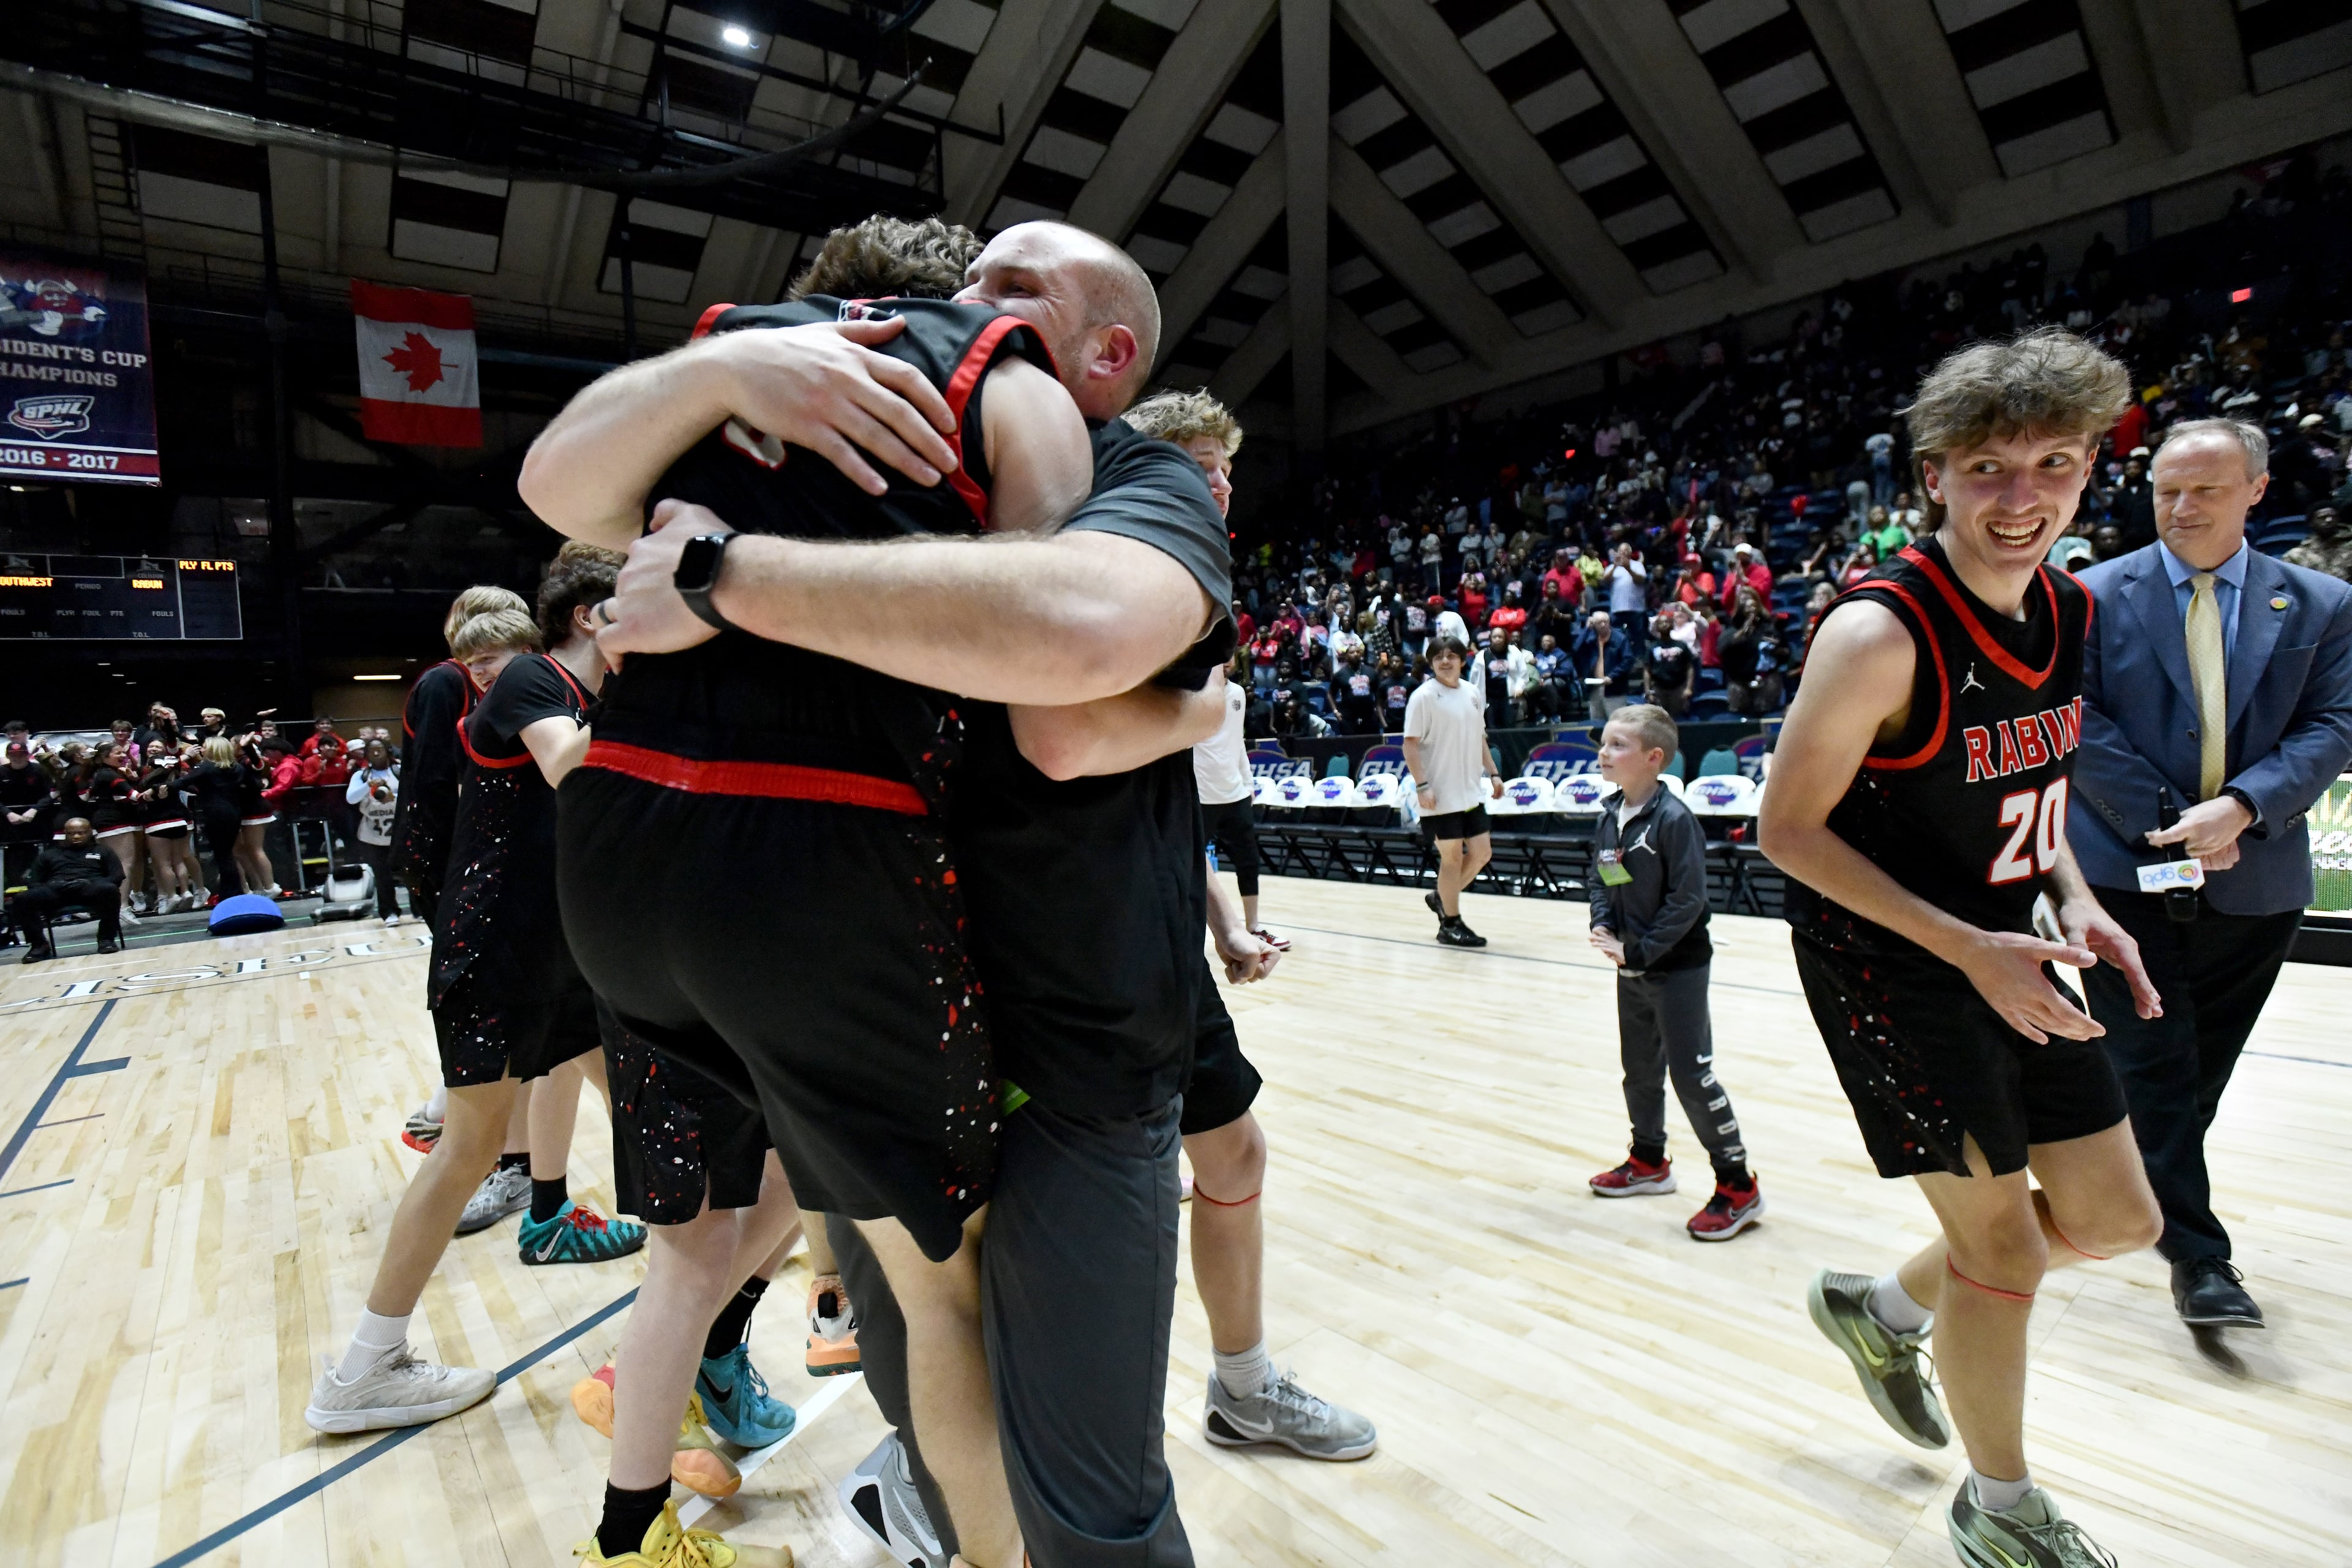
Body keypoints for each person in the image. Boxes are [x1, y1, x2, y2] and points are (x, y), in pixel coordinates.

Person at [534, 217, 1227, 1567]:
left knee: (1089, 1485)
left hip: (1064, 1042)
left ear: (1108, 353)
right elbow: (564, 481)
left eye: (1009, 292)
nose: (962, 310)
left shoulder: (1145, 479)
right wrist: (721, 381)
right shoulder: (837, 409)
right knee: (915, 1353)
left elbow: (1064, 702)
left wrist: (725, 577)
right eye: (958, 285)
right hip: (866, 953)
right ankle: (920, 1511)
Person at [1760, 328, 2165, 1568]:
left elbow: (2026, 790)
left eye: (2053, 462)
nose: (2022, 495)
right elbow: (1785, 830)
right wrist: (1964, 944)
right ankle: (1998, 1506)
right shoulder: (1879, 633)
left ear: (2091, 468)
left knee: (2114, 1218)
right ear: (1933, 474)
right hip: (1892, 959)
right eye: (1989, 467)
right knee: (1998, 1248)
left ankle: (1879, 1308)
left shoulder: (2069, 602)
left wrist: (2075, 893)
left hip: (2019, 943)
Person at [306, 549, 647, 1439]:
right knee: (466, 1151)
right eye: (634, 604)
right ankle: (364, 1369)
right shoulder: (538, 677)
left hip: (559, 955)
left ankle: (713, 1290)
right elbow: (572, 768)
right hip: (499, 952)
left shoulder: (588, 695)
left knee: (661, 1113)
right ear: (589, 615)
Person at [2070, 418, 2352, 1332]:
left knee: (2196, 1078)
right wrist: (2174, 827)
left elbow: (2335, 725)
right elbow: (2076, 719)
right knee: (2152, 1063)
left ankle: (2119, 1196)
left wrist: (2241, 808)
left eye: (2206, 491)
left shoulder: (2321, 603)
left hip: (2257, 878)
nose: (2182, 509)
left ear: (2256, 491)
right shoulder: (2088, 595)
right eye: (2166, 492)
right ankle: (2200, 1260)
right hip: (2120, 875)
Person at [1586, 706, 1760, 1238]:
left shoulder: (1674, 819)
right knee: (1638, 1070)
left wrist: (1639, 951)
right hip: (1630, 965)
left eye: (1617, 745)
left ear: (1653, 757)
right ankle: (1649, 1162)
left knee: (1691, 1075)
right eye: (1605, 743)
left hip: (1676, 967)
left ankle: (1738, 1186)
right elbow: (1600, 876)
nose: (1604, 753)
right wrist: (1603, 927)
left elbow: (1688, 902)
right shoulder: (1610, 811)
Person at [398, 595, 540, 1155]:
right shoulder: (444, 683)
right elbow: (434, 784)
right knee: (483, 1004)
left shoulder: (501, 683)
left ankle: (453, 1124)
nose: (482, 663)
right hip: (450, 863)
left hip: (473, 861)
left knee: (508, 1006)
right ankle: (456, 1132)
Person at [1405, 633, 1501, 948]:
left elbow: (1480, 737)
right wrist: (1422, 786)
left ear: (1462, 660)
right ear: (1432, 664)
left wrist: (1495, 773)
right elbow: (1410, 745)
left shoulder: (1473, 693)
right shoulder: (1423, 697)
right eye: (1438, 657)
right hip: (1440, 796)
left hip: (1470, 792)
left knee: (1482, 853)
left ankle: (1440, 898)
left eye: (1451, 656)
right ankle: (1450, 924)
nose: (1445, 661)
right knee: (1452, 860)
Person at [12, 816, 124, 961]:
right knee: (23, 898)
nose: (76, 837)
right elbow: (33, 882)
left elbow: (117, 876)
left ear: (90, 832)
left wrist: (92, 884)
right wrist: (53, 886)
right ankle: (39, 945)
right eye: (71, 834)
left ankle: (106, 939)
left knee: (110, 890)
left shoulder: (103, 851)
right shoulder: (50, 854)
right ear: (65, 833)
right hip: (57, 890)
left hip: (89, 889)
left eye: (81, 833)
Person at [343, 737, 404, 923]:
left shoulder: (399, 772)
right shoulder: (361, 775)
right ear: (366, 754)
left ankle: (418, 909)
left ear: (388, 751)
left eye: (380, 749)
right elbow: (351, 799)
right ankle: (389, 912)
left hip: (400, 831)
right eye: (372, 750)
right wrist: (368, 786)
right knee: (382, 875)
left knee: (410, 872)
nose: (376, 753)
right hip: (373, 834)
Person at [185, 736, 252, 903]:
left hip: (215, 813)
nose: (202, 749)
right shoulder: (237, 768)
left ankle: (232, 894)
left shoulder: (207, 767)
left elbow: (183, 781)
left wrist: (160, 789)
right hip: (233, 812)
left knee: (223, 855)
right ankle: (231, 891)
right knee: (227, 854)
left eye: (205, 746)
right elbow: (255, 785)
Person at [1570, 609, 1635, 721]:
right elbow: (1576, 649)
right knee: (1597, 725)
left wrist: (1612, 676)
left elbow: (1628, 660)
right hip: (1595, 688)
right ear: (1593, 624)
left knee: (1617, 724)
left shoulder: (1620, 639)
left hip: (1614, 689)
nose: (1603, 625)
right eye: (1599, 622)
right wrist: (1586, 629)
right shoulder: (1590, 639)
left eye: (1606, 621)